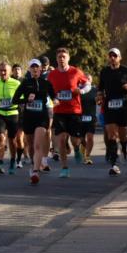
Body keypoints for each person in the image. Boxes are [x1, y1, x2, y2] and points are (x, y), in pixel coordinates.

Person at [12, 58, 57, 185]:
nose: (35, 69)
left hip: (42, 118)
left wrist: (56, 101)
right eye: (32, 67)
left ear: (41, 69)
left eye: (37, 67)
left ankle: (36, 172)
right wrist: (26, 100)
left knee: (38, 145)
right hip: (28, 118)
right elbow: (14, 100)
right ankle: (33, 164)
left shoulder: (46, 83)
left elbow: (54, 96)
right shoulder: (25, 83)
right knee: (31, 146)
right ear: (29, 69)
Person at [46, 47, 88, 178]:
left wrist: (81, 91)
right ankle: (64, 168)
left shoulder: (75, 72)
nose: (61, 59)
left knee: (75, 140)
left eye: (64, 56)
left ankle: (76, 148)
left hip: (74, 110)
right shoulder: (52, 75)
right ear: (56, 59)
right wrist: (52, 98)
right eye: (59, 57)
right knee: (61, 140)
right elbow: (48, 90)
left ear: (68, 58)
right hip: (59, 111)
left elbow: (88, 85)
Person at [97, 48, 127, 176]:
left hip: (123, 104)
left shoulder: (126, 70)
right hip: (109, 104)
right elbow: (100, 88)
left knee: (122, 134)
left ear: (120, 58)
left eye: (115, 56)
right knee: (111, 135)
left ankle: (124, 148)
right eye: (110, 56)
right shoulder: (104, 71)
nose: (112, 58)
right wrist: (99, 97)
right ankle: (114, 164)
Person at [0, 62, 21, 175]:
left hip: (13, 113)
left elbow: (21, 97)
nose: (2, 72)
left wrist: (16, 101)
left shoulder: (16, 83)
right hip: (0, 113)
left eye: (5, 71)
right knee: (0, 138)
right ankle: (0, 161)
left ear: (10, 72)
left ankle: (13, 161)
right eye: (1, 70)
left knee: (12, 140)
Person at [78, 71, 98, 165]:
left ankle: (87, 156)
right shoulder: (79, 90)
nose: (88, 81)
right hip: (80, 117)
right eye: (86, 79)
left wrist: (99, 101)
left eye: (89, 79)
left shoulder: (95, 90)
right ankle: (84, 151)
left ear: (92, 80)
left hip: (91, 117)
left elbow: (99, 102)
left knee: (90, 137)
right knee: (81, 139)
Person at [11, 63, 27, 168]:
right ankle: (14, 157)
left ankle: (19, 160)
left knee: (20, 138)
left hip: (22, 111)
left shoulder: (25, 82)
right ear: (12, 71)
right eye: (15, 69)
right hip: (10, 111)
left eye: (19, 69)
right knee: (13, 138)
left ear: (21, 71)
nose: (17, 71)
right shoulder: (9, 81)